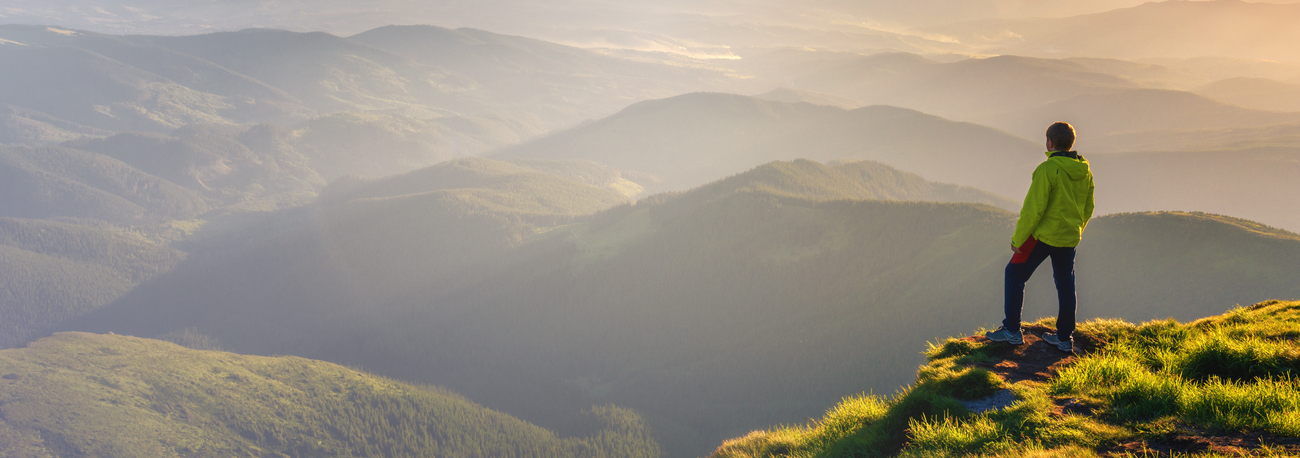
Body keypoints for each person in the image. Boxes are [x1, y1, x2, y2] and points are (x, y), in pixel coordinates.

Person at [985, 122, 1095, 353]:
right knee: (1065, 284)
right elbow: (1088, 207)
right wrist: (1077, 230)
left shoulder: (1048, 169)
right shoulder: (1085, 171)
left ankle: (1012, 330)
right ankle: (1065, 338)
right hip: (1069, 237)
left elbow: (1033, 209)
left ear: (1049, 142)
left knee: (1013, 274)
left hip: (1044, 236)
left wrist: (1018, 239)